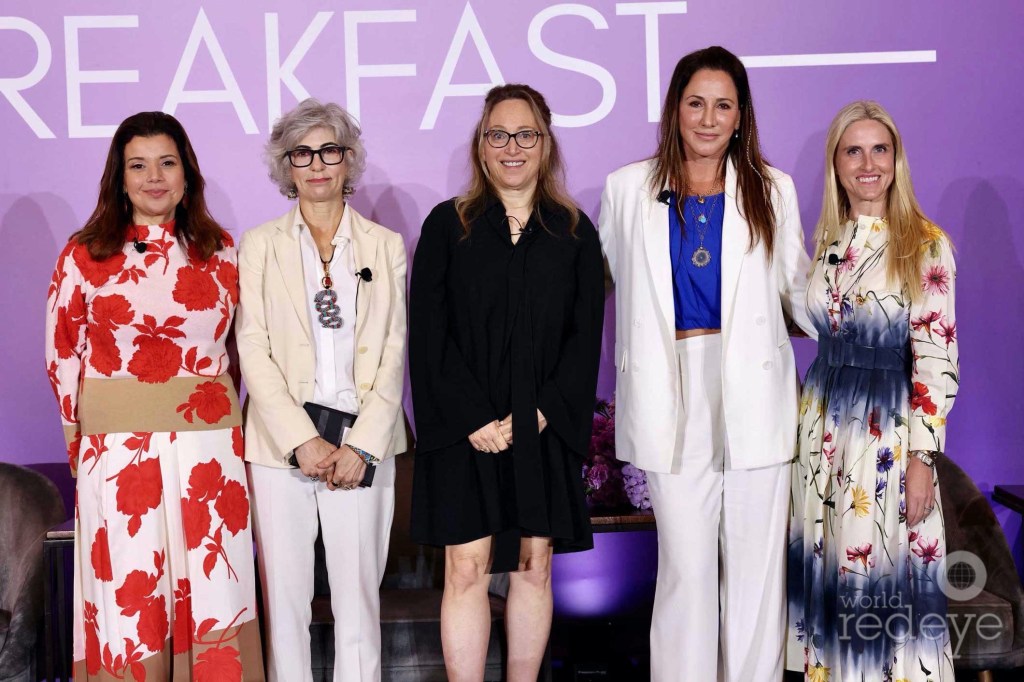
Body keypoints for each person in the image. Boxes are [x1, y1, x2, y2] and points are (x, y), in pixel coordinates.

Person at [597, 46, 817, 681]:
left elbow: (795, 290)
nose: (708, 117)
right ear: (674, 110)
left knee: (755, 573)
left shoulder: (772, 188)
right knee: (686, 571)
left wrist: (852, 302)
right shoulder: (626, 189)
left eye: (724, 105)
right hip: (670, 390)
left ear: (742, 116)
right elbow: (594, 287)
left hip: (755, 386)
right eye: (696, 103)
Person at [45, 111, 264, 679]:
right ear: (119, 179)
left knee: (217, 589)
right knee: (129, 593)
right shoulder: (82, 256)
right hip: (117, 456)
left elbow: (246, 353)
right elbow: (62, 354)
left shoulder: (221, 252)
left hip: (211, 453)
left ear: (187, 174)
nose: (153, 178)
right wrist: (82, 449)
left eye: (167, 163)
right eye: (137, 166)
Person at [409, 83, 604, 681]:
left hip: (541, 429)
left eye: (526, 135)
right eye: (499, 135)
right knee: (465, 568)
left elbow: (584, 337)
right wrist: (471, 418)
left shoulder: (574, 233)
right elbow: (428, 334)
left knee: (533, 565)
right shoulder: (449, 226)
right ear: (481, 145)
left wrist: (542, 411)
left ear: (545, 144)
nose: (512, 147)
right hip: (465, 431)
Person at [236, 98, 407, 682]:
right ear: (286, 166)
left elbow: (392, 352)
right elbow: (252, 350)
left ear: (348, 160)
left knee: (359, 601)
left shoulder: (385, 246)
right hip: (281, 447)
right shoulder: (258, 245)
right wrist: (301, 441)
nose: (316, 164)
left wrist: (362, 446)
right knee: (285, 606)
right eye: (301, 153)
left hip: (362, 444)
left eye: (328, 150)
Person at [787, 100, 958, 681]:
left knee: (876, 578)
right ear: (835, 163)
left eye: (879, 149)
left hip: (885, 432)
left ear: (896, 160)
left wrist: (922, 457)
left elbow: (936, 358)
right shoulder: (828, 242)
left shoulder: (925, 244)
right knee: (831, 573)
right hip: (820, 430)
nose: (867, 163)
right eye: (853, 150)